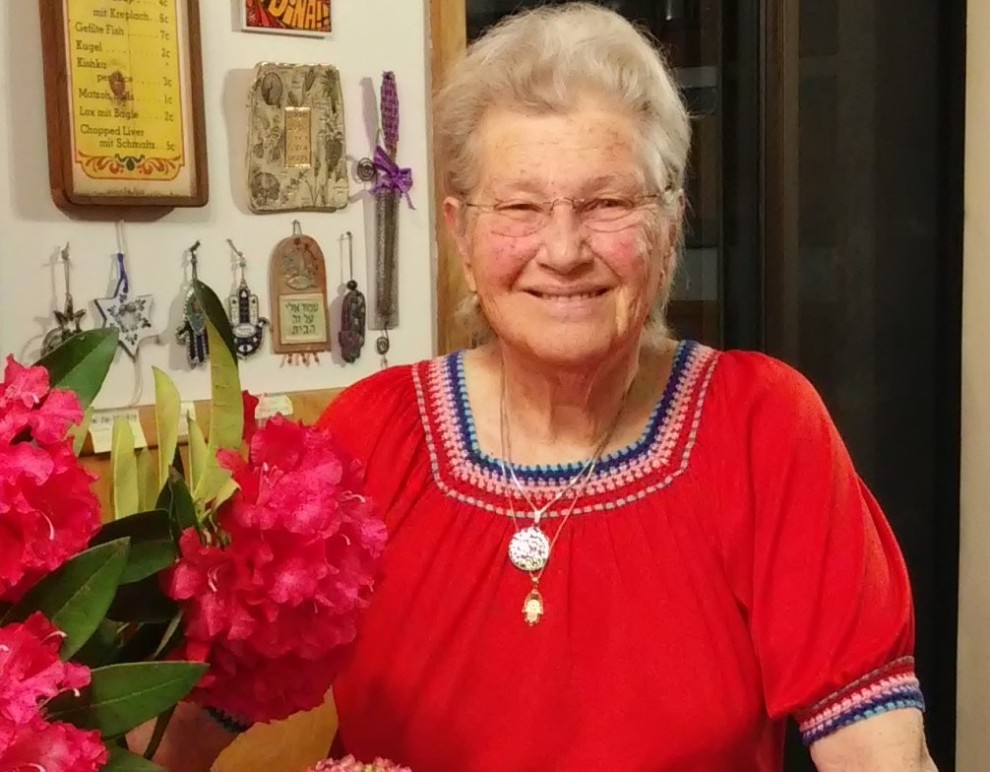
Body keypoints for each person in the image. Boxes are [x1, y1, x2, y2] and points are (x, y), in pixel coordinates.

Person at [139, 3, 936, 770]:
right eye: (519, 206)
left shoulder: (762, 426)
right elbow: (182, 724)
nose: (562, 250)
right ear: (460, 234)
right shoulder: (369, 436)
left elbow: (878, 753)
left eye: (607, 203)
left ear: (670, 226)